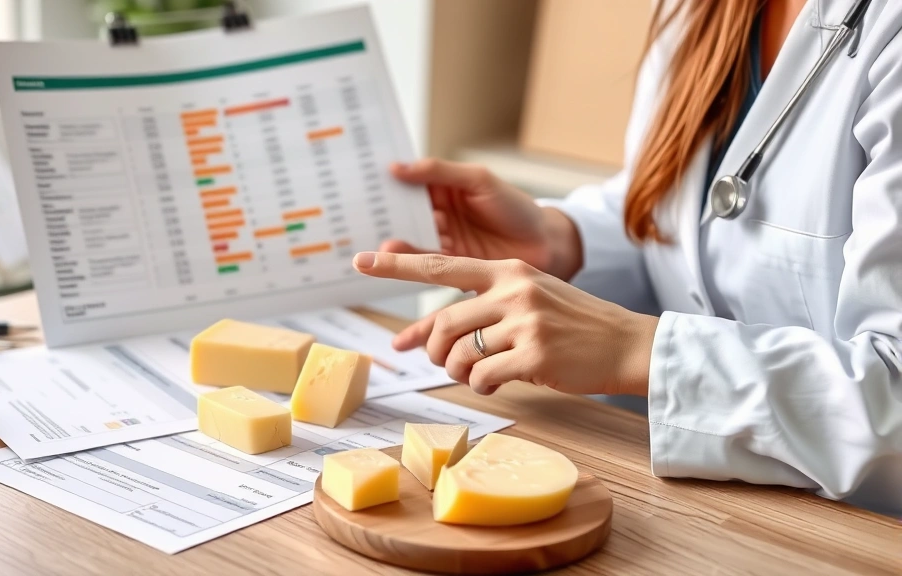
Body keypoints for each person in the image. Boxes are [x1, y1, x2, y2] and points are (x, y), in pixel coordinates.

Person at [353, 0, 902, 514]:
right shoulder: (695, 10)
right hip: (687, 498)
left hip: (855, 529)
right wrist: (562, 241)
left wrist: (636, 350)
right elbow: (677, 212)